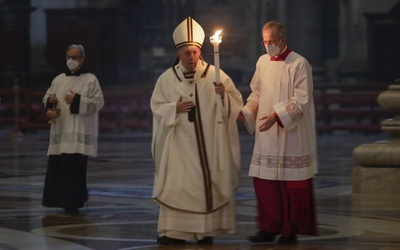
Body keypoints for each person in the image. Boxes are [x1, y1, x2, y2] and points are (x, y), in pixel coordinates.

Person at [150, 17, 243, 245]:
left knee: (205, 187)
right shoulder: (166, 79)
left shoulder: (215, 76)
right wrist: (175, 108)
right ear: (178, 54)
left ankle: (205, 231)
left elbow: (235, 104)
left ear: (200, 52)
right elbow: (157, 107)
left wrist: (223, 96)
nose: (191, 57)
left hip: (209, 146)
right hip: (179, 146)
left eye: (194, 52)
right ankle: (174, 232)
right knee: (178, 187)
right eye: (186, 53)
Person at [238, 20, 318, 244]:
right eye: (265, 42)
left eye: (272, 41)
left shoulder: (299, 63)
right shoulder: (262, 62)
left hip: (290, 133)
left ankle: (288, 230)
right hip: (266, 133)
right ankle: (267, 227)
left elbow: (302, 100)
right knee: (265, 183)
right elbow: (257, 93)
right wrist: (246, 111)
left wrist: (277, 116)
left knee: (288, 183)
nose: (268, 46)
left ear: (283, 40)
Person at [42, 44, 104, 214]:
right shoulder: (58, 79)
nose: (72, 60)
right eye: (69, 56)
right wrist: (51, 101)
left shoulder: (90, 79)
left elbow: (98, 103)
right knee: (59, 166)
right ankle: (55, 199)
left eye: (75, 57)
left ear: (82, 59)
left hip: (79, 133)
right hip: (61, 130)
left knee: (74, 169)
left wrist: (77, 99)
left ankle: (74, 201)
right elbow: (47, 98)